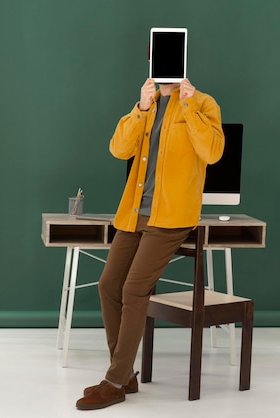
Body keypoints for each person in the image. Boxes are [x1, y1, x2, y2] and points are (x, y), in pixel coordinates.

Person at [75, 78, 224, 410]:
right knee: (109, 284)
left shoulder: (202, 103)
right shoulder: (148, 103)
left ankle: (114, 382)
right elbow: (119, 148)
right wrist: (141, 108)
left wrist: (186, 104)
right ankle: (125, 375)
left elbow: (212, 152)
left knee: (134, 290)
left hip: (172, 217)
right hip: (134, 212)